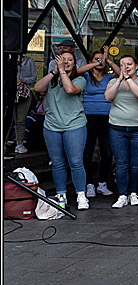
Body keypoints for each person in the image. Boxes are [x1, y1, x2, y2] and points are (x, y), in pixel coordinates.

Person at [34, 51, 89, 210]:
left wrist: (63, 72)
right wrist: (54, 72)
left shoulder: (80, 79)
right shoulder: (52, 78)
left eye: (69, 59)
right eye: (62, 59)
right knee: (57, 163)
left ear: (74, 63)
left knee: (76, 162)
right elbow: (38, 88)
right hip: (52, 126)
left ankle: (81, 195)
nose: (65, 62)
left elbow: (70, 90)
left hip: (74, 125)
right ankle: (61, 194)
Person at [105, 53, 138, 208]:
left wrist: (127, 79)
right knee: (121, 164)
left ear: (136, 67)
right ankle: (121, 194)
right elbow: (108, 96)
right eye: (123, 64)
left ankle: (133, 192)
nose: (126, 67)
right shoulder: (113, 81)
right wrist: (120, 79)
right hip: (117, 128)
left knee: (136, 164)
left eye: (129, 64)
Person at [79, 47, 119, 197]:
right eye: (97, 59)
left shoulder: (109, 77)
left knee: (107, 153)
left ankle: (102, 182)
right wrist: (95, 63)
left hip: (107, 118)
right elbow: (77, 70)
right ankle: (89, 184)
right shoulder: (86, 77)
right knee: (87, 152)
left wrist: (108, 61)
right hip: (89, 117)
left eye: (102, 59)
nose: (100, 61)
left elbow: (122, 74)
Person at [13, 53, 38, 154]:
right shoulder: (7, 60)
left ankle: (19, 143)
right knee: (8, 120)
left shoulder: (29, 61)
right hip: (9, 92)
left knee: (21, 120)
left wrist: (22, 80)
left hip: (24, 93)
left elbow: (34, 78)